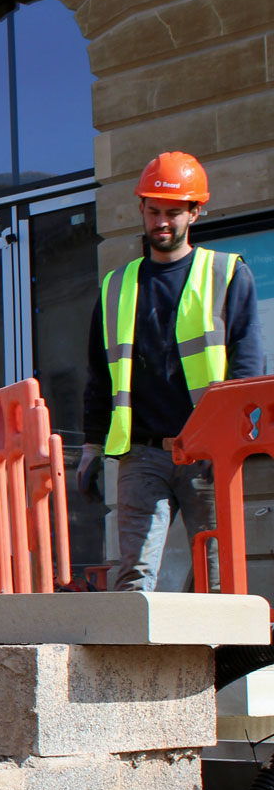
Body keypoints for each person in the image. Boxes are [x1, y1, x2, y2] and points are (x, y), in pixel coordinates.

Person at [77, 151, 262, 592]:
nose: (162, 222)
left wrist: (237, 442)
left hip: (207, 452)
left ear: (195, 213)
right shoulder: (117, 286)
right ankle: (131, 662)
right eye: (154, 211)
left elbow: (249, 366)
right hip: (142, 453)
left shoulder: (226, 273)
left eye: (173, 213)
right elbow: (100, 376)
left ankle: (220, 661)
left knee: (217, 575)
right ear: (141, 209)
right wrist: (90, 446)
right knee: (133, 576)